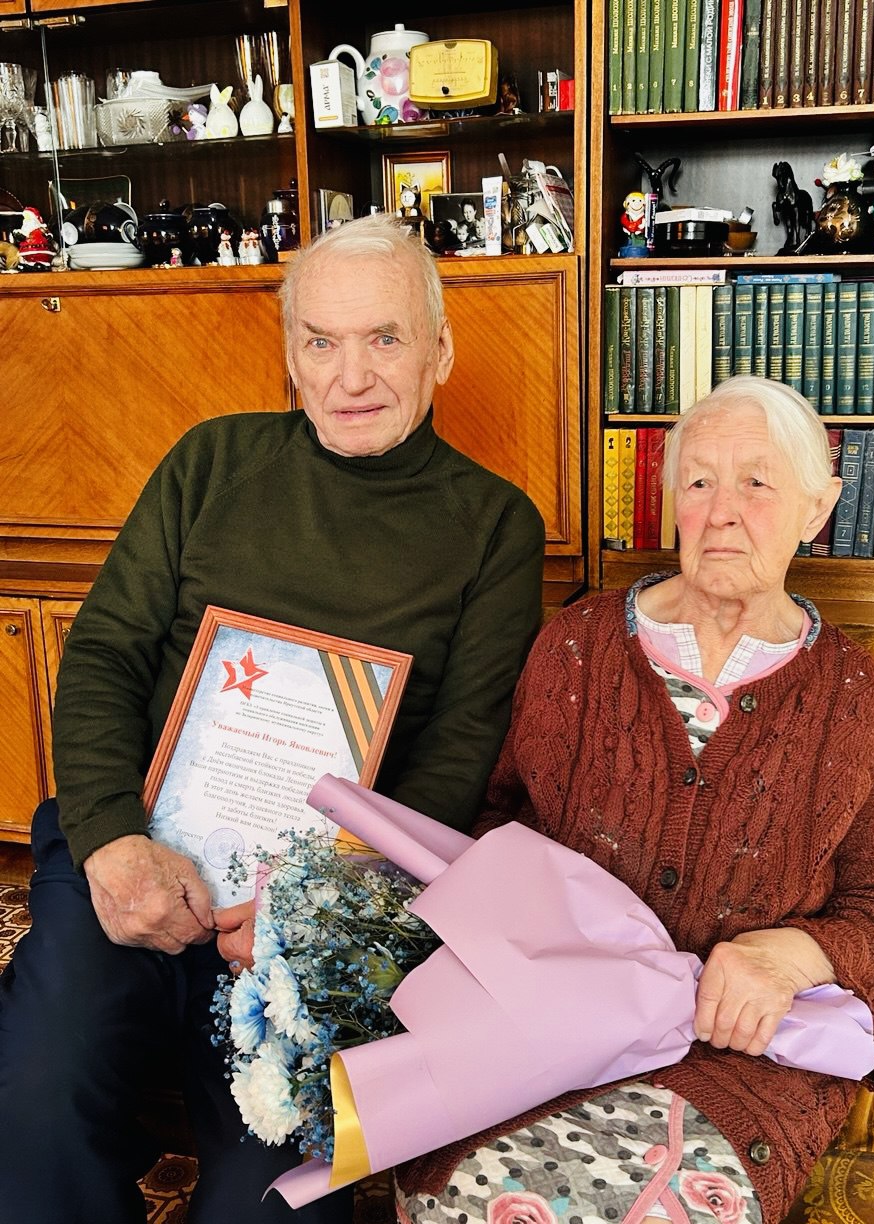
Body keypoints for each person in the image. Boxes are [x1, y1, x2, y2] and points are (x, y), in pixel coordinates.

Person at [0, 213, 545, 1224]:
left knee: (270, 1200)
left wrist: (318, 908)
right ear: (290, 354)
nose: (351, 377)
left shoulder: (495, 524)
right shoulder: (211, 462)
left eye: (384, 339)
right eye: (320, 342)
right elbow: (106, 653)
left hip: (315, 909)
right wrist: (111, 840)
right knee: (33, 1097)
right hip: (136, 852)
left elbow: (458, 754)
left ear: (439, 350)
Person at [396, 375, 874, 1224]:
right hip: (548, 1035)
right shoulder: (576, 649)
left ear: (818, 507)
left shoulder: (856, 700)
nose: (722, 513)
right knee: (463, 1196)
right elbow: (501, 820)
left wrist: (795, 956)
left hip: (745, 1061)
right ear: (670, 500)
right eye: (699, 481)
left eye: (757, 483)